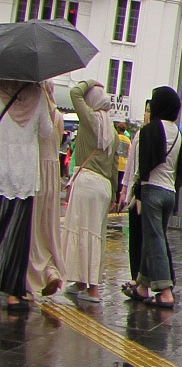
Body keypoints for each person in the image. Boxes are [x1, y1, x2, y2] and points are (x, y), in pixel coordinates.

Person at [123, 87, 182, 308]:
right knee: (153, 237)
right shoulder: (178, 132)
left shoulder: (149, 130)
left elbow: (142, 166)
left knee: (154, 240)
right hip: (170, 192)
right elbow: (179, 167)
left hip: (152, 190)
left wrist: (134, 191)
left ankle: (165, 292)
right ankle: (142, 286)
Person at [0, 83, 57, 311]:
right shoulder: (37, 94)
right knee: (18, 235)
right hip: (24, 174)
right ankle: (14, 295)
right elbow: (46, 132)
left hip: (1, 168)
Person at [62, 81, 114, 300]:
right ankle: (82, 282)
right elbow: (113, 165)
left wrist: (90, 83)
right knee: (95, 235)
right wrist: (114, 194)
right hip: (104, 186)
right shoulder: (111, 128)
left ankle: (91, 288)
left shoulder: (90, 119)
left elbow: (75, 93)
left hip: (87, 182)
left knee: (82, 232)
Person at [23, 85, 63, 299]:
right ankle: (50, 272)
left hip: (36, 171)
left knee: (32, 229)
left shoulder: (34, 110)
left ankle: (29, 281)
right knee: (48, 230)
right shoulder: (58, 116)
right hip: (52, 174)